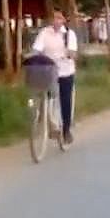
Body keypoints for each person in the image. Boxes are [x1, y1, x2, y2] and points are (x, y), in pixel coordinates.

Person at [31, 9, 78, 144]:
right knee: (44, 96)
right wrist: (33, 56)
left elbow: (73, 52)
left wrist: (69, 54)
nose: (56, 21)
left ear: (64, 20)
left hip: (65, 71)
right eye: (54, 18)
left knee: (65, 100)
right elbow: (37, 49)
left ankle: (66, 130)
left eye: (59, 18)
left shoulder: (69, 35)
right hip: (48, 71)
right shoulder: (45, 33)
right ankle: (48, 124)